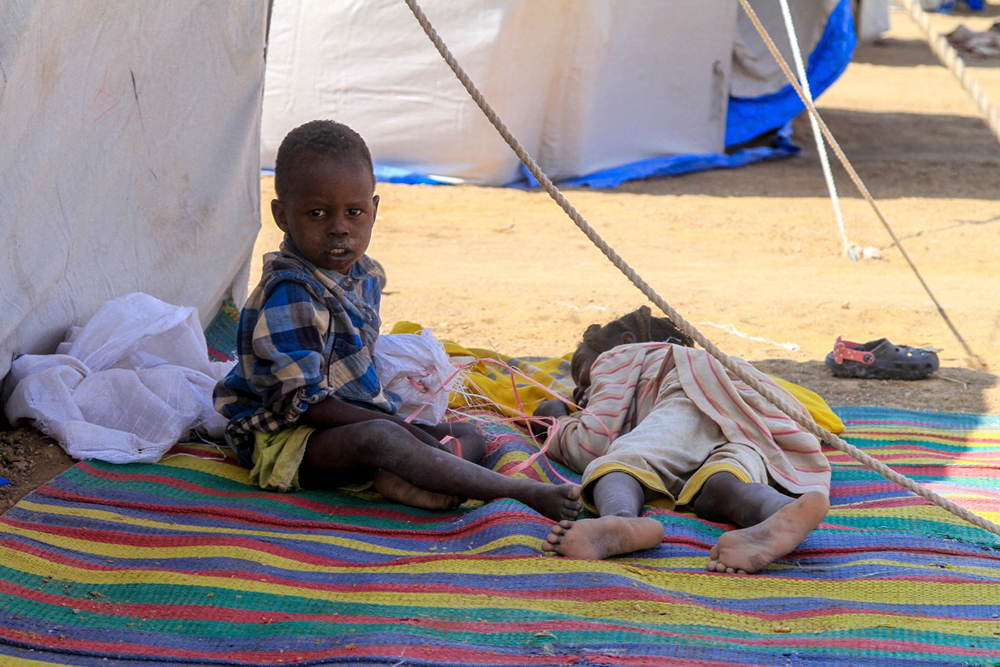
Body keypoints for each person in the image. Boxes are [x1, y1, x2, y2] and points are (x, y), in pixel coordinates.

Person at [214, 119, 581, 522]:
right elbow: (305, 405)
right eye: (316, 213)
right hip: (289, 440)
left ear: (374, 209)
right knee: (385, 436)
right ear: (282, 215)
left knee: (467, 433)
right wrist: (404, 429)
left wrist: (413, 430)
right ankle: (517, 490)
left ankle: (410, 476)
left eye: (354, 213)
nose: (339, 228)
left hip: (355, 420)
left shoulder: (363, 275)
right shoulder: (290, 293)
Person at [533, 307, 830, 573]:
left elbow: (591, 442)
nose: (580, 392)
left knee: (624, 460)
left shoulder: (621, 357)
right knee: (723, 482)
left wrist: (556, 418)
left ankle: (620, 518)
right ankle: (777, 512)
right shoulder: (726, 367)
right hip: (757, 419)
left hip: (689, 398)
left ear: (625, 341)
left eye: (583, 376)